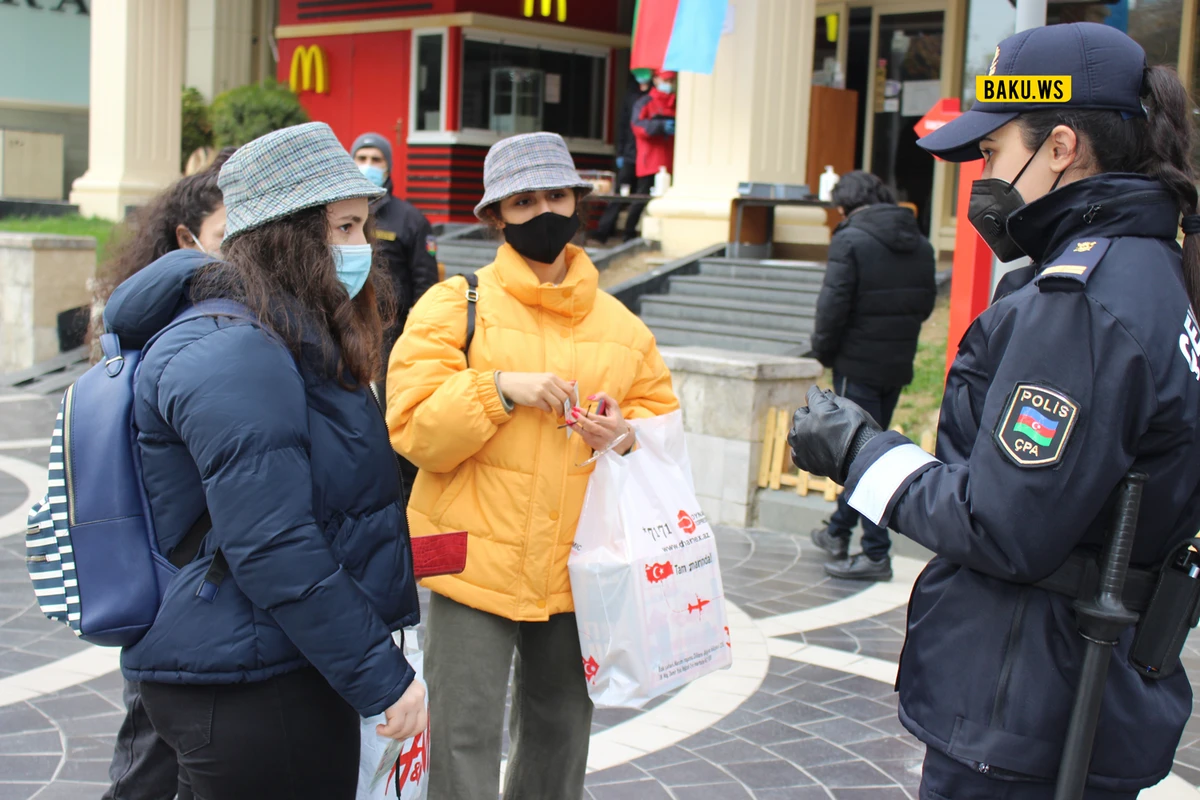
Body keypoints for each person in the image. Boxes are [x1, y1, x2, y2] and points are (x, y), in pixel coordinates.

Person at [788, 22, 1200, 799]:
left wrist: (856, 453)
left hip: (1029, 707)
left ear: (1061, 146)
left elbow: (1002, 523)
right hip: (1067, 691)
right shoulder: (1153, 272)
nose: (981, 175)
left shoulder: (1084, 303)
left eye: (992, 151)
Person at [100, 122, 426, 799]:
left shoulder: (276, 334)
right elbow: (274, 542)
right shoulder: (235, 348)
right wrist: (379, 675)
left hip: (266, 660)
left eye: (363, 227)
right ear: (290, 235)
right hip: (250, 680)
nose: (360, 248)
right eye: (342, 228)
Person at [386, 131, 679, 800]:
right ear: (496, 217)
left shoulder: (623, 329)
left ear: (578, 200)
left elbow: (661, 438)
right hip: (468, 560)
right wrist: (495, 389)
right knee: (462, 735)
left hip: (580, 567)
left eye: (555, 194)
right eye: (523, 201)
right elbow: (413, 431)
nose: (543, 211)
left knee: (560, 736)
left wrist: (624, 435)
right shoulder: (452, 305)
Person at [94, 148, 232, 800]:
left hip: (189, 586)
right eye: (234, 237)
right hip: (175, 584)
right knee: (154, 757)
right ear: (189, 239)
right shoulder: (181, 338)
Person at [807, 171, 936, 581]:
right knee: (869, 447)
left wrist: (824, 352)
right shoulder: (921, 242)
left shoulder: (849, 239)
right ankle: (838, 530)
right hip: (895, 363)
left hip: (856, 364)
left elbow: (833, 306)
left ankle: (876, 553)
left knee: (860, 456)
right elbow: (926, 304)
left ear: (846, 206)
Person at [351, 131, 439, 502]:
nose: (368, 166)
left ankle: (402, 495)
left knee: (393, 417)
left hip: (394, 335)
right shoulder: (342, 213)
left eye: (376, 160)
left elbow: (425, 282)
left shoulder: (410, 220)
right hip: (346, 327)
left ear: (389, 166)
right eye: (362, 157)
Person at [590, 69, 651, 244]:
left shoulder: (654, 97)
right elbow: (623, 126)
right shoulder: (631, 96)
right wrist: (621, 152)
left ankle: (628, 233)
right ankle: (603, 231)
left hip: (646, 155)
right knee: (619, 194)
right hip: (630, 153)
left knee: (641, 195)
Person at [627, 70, 677, 237]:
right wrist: (660, 127)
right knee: (641, 200)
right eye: (666, 80)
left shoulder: (678, 103)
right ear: (655, 79)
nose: (669, 84)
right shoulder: (644, 102)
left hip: (670, 162)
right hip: (650, 161)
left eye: (672, 80)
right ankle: (628, 233)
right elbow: (638, 126)